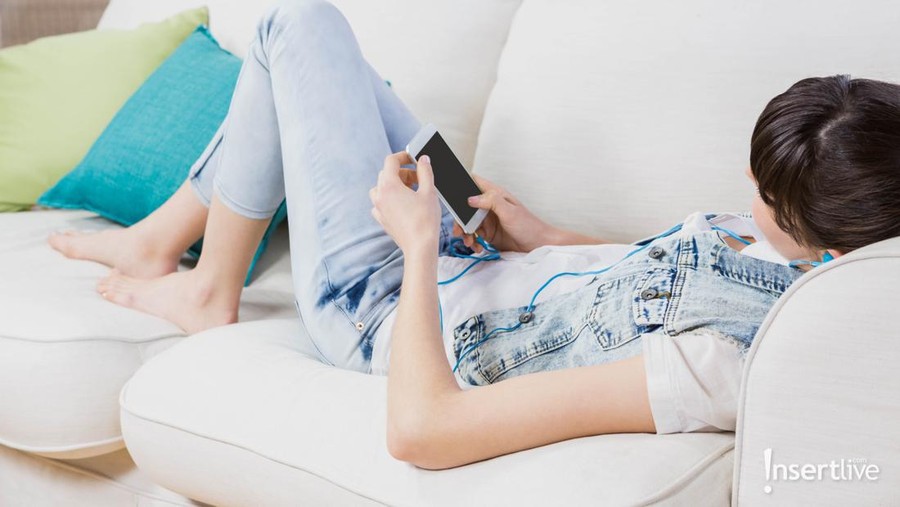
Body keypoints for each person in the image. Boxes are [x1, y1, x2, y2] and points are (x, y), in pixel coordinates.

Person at [46, 0, 900, 470]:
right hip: (482, 250)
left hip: (388, 308)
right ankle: (163, 243)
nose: (739, 186)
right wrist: (535, 232)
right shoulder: (796, 248)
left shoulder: (718, 364)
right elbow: (642, 277)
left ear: (826, 244)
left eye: (757, 190)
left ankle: (201, 284)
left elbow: (424, 429)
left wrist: (419, 246)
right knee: (329, 66)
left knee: (293, 27)